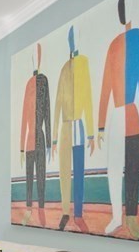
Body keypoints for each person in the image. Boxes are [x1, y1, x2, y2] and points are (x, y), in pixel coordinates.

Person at [97, 0, 139, 239]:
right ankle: (117, 215)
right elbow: (105, 87)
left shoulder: (138, 38)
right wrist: (98, 127)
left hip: (131, 111)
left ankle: (131, 217)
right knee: (114, 168)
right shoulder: (113, 45)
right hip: (115, 116)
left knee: (133, 166)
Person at [53, 26, 95, 232]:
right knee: (63, 173)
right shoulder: (63, 69)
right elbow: (57, 105)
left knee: (79, 171)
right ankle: (65, 212)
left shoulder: (84, 63)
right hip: (65, 127)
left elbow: (88, 99)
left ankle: (78, 212)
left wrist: (92, 133)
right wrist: (53, 138)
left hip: (79, 124)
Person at [19, 43, 52, 227]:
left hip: (39, 136)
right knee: (29, 177)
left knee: (41, 175)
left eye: (37, 55)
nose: (36, 59)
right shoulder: (28, 85)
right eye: (34, 56)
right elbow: (24, 116)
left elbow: (47, 110)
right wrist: (21, 148)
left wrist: (49, 140)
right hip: (30, 138)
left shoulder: (44, 81)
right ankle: (29, 209)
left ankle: (41, 209)